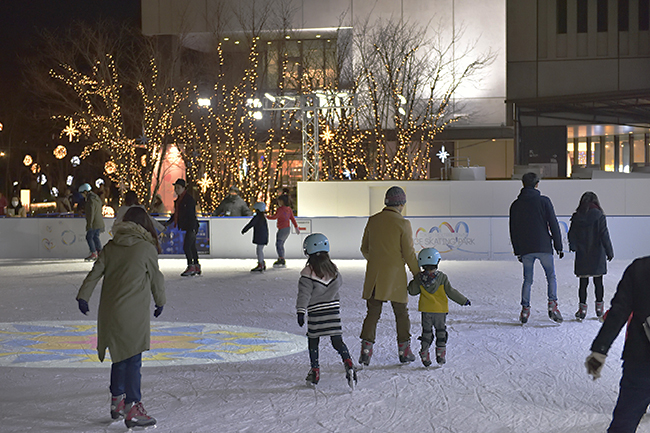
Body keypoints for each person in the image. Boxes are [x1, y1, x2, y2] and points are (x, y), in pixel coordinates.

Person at [75, 206, 165, 429]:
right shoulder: (146, 248)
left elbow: (95, 272)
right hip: (133, 312)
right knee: (133, 357)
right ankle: (133, 406)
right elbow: (157, 279)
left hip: (110, 312)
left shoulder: (111, 246)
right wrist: (160, 301)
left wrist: (83, 296)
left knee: (119, 355)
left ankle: (117, 400)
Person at [586, 256, 650, 432]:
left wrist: (600, 350)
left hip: (641, 360)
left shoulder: (640, 269)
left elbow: (618, 312)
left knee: (624, 423)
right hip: (640, 361)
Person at [359, 186, 420, 365]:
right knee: (401, 314)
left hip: (374, 277)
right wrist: (417, 274)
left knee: (372, 313)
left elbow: (364, 248)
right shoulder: (403, 224)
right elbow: (408, 253)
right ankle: (404, 351)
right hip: (395, 277)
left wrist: (377, 261)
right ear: (401, 204)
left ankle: (366, 351)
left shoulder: (373, 220)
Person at [296, 233, 357, 388]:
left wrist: (301, 311)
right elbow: (339, 283)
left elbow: (304, 294)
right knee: (337, 341)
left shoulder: (308, 273)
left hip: (316, 313)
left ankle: (315, 370)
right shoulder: (334, 270)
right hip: (333, 312)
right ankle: (348, 363)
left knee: (313, 341)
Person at [509, 172, 564, 324]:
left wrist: (517, 250)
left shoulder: (515, 205)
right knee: (551, 276)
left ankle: (525, 310)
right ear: (537, 184)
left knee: (527, 280)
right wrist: (558, 246)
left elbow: (513, 230)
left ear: (523, 184)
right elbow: (553, 223)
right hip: (544, 246)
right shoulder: (544, 201)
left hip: (526, 248)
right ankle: (552, 305)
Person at [407, 248, 471, 366]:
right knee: (441, 332)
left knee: (427, 333)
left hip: (426, 311)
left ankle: (424, 353)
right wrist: (463, 300)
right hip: (440, 311)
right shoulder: (442, 277)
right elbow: (451, 292)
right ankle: (440, 356)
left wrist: (415, 278)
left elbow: (412, 291)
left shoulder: (419, 278)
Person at [568, 191, 614, 321]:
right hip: (597, 253)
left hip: (582, 253)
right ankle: (599, 309)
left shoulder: (577, 216)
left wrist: (573, 246)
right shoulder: (599, 215)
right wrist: (609, 250)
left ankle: (582, 310)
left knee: (583, 283)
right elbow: (604, 234)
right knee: (598, 282)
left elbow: (571, 234)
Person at [165, 179, 200, 276]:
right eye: (175, 188)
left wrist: (191, 227)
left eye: (178, 188)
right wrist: (169, 222)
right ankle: (196, 266)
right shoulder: (180, 200)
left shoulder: (188, 200)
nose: (176, 190)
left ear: (184, 188)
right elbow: (177, 214)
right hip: (190, 226)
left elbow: (189, 214)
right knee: (192, 246)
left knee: (187, 246)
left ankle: (191, 266)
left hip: (191, 226)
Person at [267, 195, 300, 267]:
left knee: (279, 244)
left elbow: (274, 217)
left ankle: (281, 258)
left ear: (282, 201)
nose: (278, 202)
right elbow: (292, 218)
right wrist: (296, 227)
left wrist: (266, 216)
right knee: (280, 244)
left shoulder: (280, 209)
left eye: (279, 201)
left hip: (282, 229)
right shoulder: (289, 209)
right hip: (287, 228)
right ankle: (281, 258)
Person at [79, 183, 105, 261]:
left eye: (82, 193)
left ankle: (94, 253)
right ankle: (100, 252)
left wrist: (89, 225)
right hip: (99, 221)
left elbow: (91, 213)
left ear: (85, 192)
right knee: (95, 237)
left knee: (89, 237)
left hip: (94, 223)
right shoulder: (96, 198)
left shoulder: (91, 201)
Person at [241, 202, 269, 272]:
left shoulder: (257, 217)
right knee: (260, 250)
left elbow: (251, 224)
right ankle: (262, 263)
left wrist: (244, 230)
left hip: (260, 236)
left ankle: (261, 264)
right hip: (263, 236)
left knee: (259, 250)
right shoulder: (262, 217)